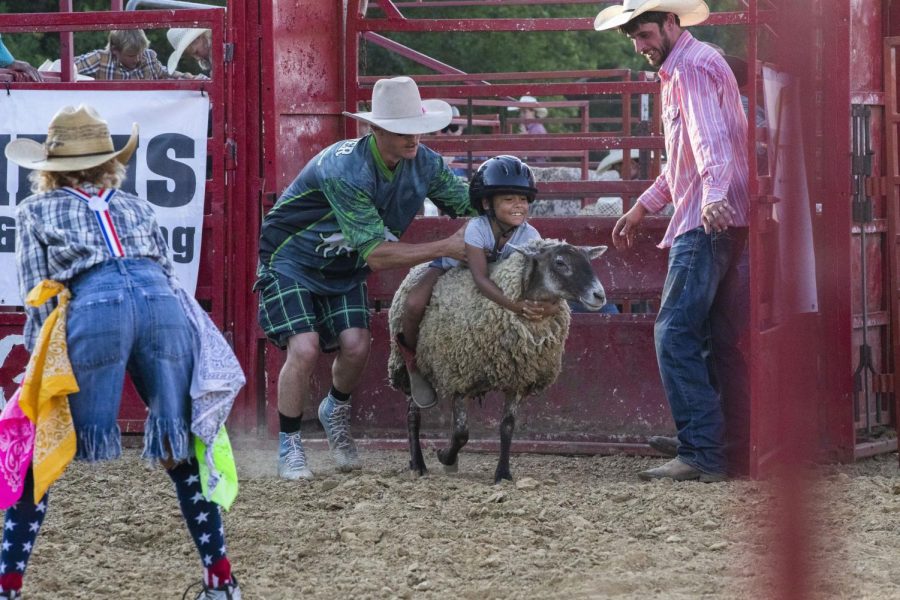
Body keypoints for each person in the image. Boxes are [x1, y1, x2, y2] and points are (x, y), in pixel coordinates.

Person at [3, 105, 241, 598]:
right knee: (181, 448)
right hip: (161, 303)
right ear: (109, 163)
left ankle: (7, 583)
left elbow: (39, 296)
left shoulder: (35, 211)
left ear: (50, 168)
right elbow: (168, 278)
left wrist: (38, 368)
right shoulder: (136, 206)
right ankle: (220, 580)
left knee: (40, 445)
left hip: (96, 305)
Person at [256, 76, 475, 480]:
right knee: (302, 349)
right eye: (401, 131)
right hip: (290, 259)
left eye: (417, 129)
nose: (414, 139)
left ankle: (334, 408)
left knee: (357, 345)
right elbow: (375, 255)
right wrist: (444, 247)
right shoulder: (345, 169)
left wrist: (504, 194)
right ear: (374, 130)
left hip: (342, 264)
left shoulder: (424, 163)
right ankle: (290, 445)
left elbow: (466, 201)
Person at [596, 0, 750, 482]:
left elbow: (711, 140)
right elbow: (682, 160)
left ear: (670, 22)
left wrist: (715, 196)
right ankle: (725, 445)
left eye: (645, 35)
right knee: (714, 337)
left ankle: (702, 450)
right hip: (721, 214)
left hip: (707, 219)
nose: (641, 47)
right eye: (634, 40)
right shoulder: (690, 67)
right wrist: (643, 206)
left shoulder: (689, 69)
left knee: (674, 332)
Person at [397, 155, 557, 408]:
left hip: (497, 275)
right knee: (414, 303)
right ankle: (412, 363)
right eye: (508, 199)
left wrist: (550, 308)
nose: (519, 206)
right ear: (486, 203)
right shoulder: (477, 228)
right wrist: (516, 307)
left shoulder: (530, 235)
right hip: (453, 265)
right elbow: (480, 278)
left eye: (524, 199)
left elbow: (536, 280)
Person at [75, 29, 205, 80]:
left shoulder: (148, 57)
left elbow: (166, 74)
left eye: (140, 53)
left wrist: (193, 79)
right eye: (131, 55)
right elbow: (64, 68)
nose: (137, 59)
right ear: (115, 50)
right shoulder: (99, 59)